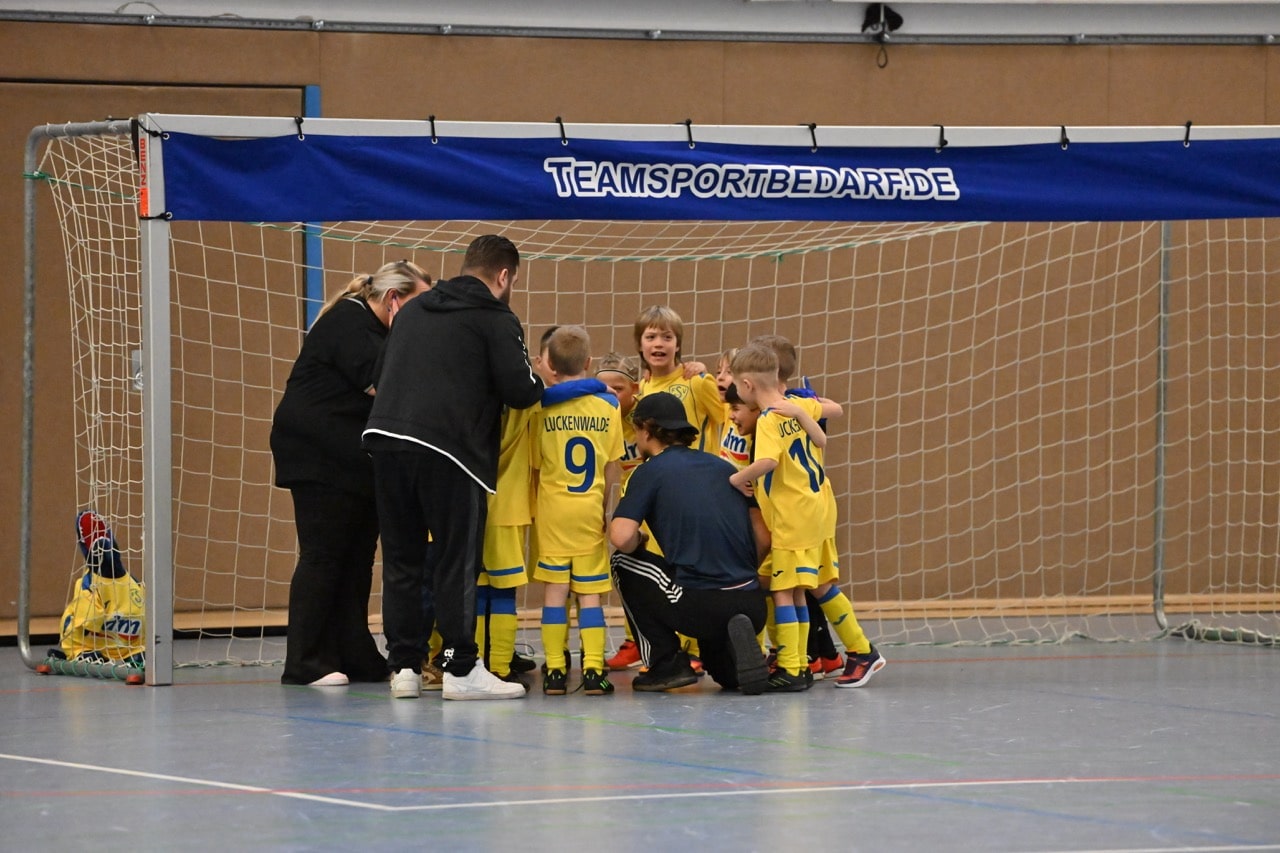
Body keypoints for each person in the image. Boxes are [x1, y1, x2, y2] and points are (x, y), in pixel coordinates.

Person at [362, 235, 543, 701]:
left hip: (385, 441)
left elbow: (379, 378)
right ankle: (461, 668)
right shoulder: (496, 317)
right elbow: (522, 389)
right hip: (450, 451)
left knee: (402, 560)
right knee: (455, 559)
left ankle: (403, 667)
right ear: (504, 276)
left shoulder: (416, 310)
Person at [271, 259, 432, 687]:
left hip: (353, 457)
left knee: (358, 557)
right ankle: (304, 659)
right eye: (418, 304)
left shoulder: (375, 330)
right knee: (323, 555)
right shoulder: (349, 321)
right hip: (318, 454)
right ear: (395, 300)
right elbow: (387, 384)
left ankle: (355, 651)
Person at [609, 392, 772, 695]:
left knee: (622, 561)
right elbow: (763, 537)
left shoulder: (648, 472)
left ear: (646, 429)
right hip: (751, 600)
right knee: (727, 677)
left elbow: (620, 537)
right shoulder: (725, 468)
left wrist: (639, 540)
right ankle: (733, 655)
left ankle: (665, 664)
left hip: (699, 605)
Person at [751, 333, 885, 688]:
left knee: (788, 588)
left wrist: (738, 479)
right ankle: (845, 651)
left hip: (797, 514)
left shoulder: (772, 415)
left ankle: (795, 663)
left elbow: (766, 460)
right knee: (815, 585)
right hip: (819, 506)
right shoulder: (799, 403)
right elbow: (833, 412)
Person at [532, 325, 624, 695]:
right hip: (589, 508)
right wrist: (604, 508)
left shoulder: (540, 408)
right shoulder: (609, 406)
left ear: (548, 364)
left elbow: (536, 469)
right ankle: (593, 669)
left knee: (554, 592)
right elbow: (611, 467)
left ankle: (554, 670)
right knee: (590, 595)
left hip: (553, 509)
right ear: (589, 362)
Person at [633, 305, 724, 455]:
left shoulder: (697, 381)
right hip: (661, 473)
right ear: (640, 345)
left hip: (696, 473)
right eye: (650, 337)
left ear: (678, 345)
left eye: (667, 337)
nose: (659, 343)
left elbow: (730, 416)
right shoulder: (644, 384)